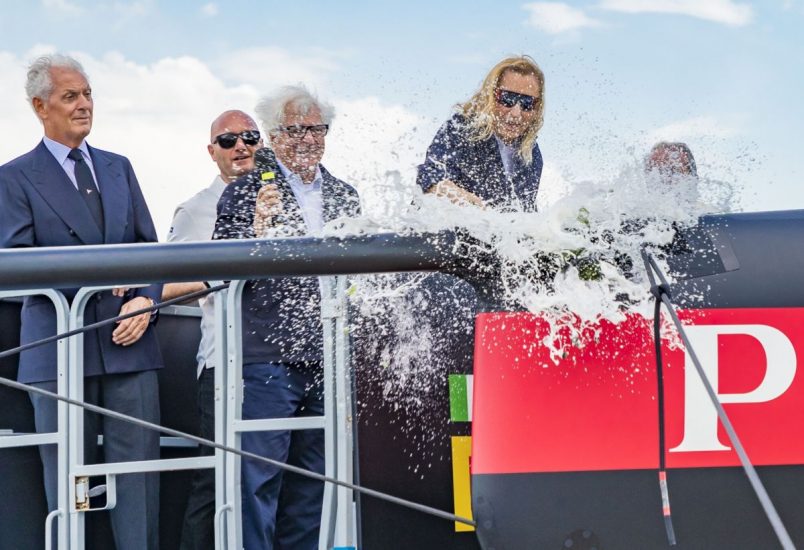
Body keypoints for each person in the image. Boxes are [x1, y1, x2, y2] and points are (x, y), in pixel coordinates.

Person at [0, 54, 161, 549]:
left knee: (140, 485)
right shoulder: (13, 177)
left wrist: (146, 301)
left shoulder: (120, 168)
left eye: (88, 94)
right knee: (69, 489)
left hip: (129, 344)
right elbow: (15, 266)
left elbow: (150, 252)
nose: (84, 105)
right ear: (40, 107)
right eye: (71, 96)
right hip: (57, 348)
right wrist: (99, 282)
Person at [213, 85, 360, 550]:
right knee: (257, 483)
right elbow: (217, 264)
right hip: (266, 362)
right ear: (275, 136)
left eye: (316, 129)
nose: (306, 139)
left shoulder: (345, 194)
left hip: (327, 357)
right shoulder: (244, 191)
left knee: (314, 483)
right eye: (295, 130)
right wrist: (255, 230)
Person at [163, 110, 263, 550]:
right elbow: (165, 285)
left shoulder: (286, 198)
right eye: (227, 140)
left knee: (271, 479)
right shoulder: (194, 211)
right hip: (224, 364)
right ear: (212, 152)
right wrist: (218, 277)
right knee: (214, 478)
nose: (240, 146)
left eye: (250, 137)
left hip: (279, 364)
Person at [417, 55, 545, 212]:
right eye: (507, 98)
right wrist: (470, 204)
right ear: (490, 95)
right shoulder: (461, 127)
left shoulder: (532, 154)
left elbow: (525, 212)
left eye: (527, 103)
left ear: (537, 107)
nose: (516, 113)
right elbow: (431, 179)